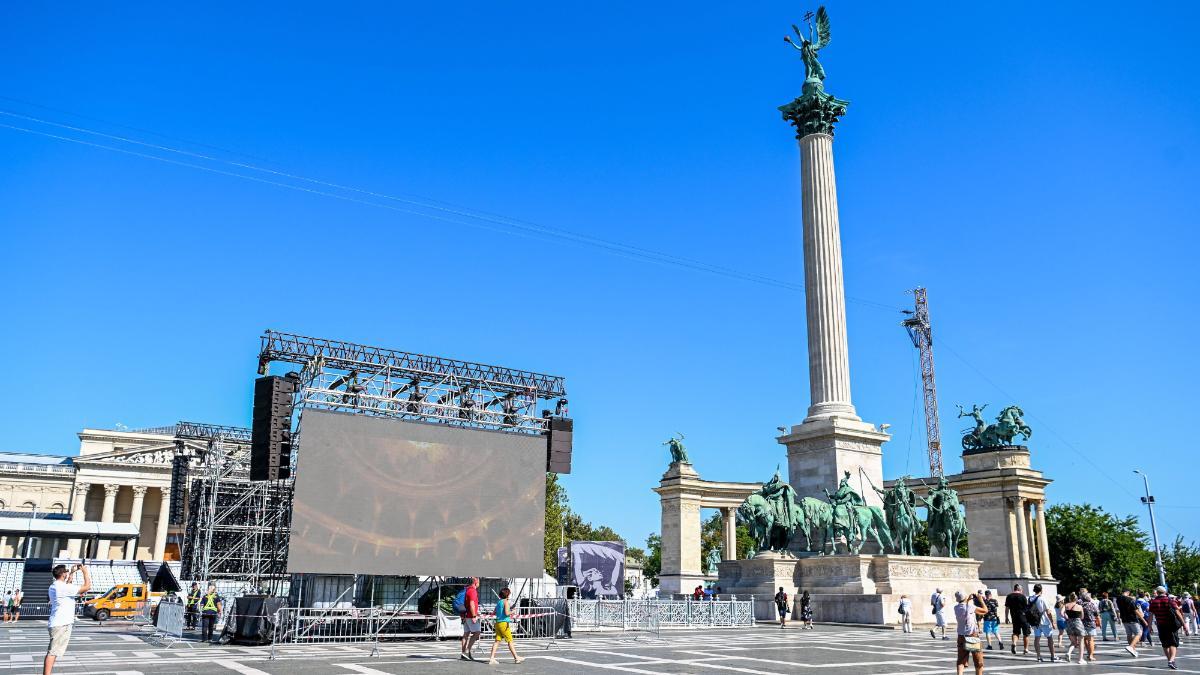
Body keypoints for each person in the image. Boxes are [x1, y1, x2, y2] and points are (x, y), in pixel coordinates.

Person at [44, 563, 90, 675]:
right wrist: (85, 571)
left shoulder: (56, 586)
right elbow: (87, 586)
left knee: (54, 651)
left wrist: (72, 573)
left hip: (58, 622)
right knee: (52, 652)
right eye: (66, 571)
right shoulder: (62, 587)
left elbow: (67, 586)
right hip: (61, 624)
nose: (67, 573)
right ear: (63, 574)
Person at [1148, 586, 1185, 670]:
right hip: (1171, 625)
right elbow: (1178, 612)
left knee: (1165, 644)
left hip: (1160, 625)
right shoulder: (1169, 600)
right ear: (1165, 592)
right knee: (1173, 643)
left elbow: (1150, 615)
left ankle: (1169, 660)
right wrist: (1184, 624)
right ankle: (1171, 660)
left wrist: (1149, 627)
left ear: (1157, 592)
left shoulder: (1153, 602)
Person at [487, 587, 524, 665]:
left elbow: (494, 612)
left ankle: (492, 658)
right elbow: (507, 613)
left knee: (497, 641)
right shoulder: (505, 602)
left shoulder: (499, 602)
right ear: (507, 595)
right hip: (504, 623)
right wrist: (512, 611)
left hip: (497, 623)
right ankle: (516, 658)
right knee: (510, 640)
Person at [955, 591, 988, 675]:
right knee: (978, 661)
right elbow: (985, 610)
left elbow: (964, 606)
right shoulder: (970, 607)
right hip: (972, 635)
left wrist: (968, 600)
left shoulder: (956, 607)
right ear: (965, 597)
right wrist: (981, 600)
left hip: (961, 636)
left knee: (961, 661)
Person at [1031, 583, 1059, 663]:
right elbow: (1048, 612)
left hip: (1035, 621)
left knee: (1037, 638)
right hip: (1044, 621)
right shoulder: (1042, 598)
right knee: (1049, 638)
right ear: (1041, 590)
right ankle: (1053, 656)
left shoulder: (1031, 598)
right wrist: (1053, 622)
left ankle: (1038, 657)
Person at [1117, 588, 1145, 657]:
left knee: (1129, 634)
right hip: (1132, 619)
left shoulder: (1118, 599)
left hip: (1124, 619)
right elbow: (1135, 610)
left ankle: (1133, 650)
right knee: (1139, 633)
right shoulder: (1129, 599)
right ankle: (1131, 646)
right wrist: (1143, 620)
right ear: (1128, 592)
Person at [1004, 584, 1030, 655]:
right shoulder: (1023, 596)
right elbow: (1026, 609)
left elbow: (1007, 608)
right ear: (1019, 589)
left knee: (1015, 632)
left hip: (1014, 617)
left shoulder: (1009, 596)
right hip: (1023, 617)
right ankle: (1025, 649)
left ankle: (1014, 643)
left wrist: (1006, 617)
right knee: (1026, 634)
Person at [459, 578, 482, 661]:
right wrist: (474, 616)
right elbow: (472, 603)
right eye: (479, 581)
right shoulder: (473, 591)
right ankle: (467, 651)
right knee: (477, 632)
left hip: (465, 615)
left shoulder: (467, 590)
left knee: (466, 634)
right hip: (470, 615)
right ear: (475, 582)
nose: (479, 583)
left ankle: (464, 653)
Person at [1063, 592, 1084, 664]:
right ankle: (1080, 659)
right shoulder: (1080, 607)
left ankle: (1068, 652)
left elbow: (1061, 613)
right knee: (1081, 642)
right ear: (1076, 599)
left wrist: (1066, 617)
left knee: (1073, 642)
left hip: (1069, 624)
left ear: (1070, 598)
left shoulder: (1066, 605)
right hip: (1078, 624)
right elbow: (1082, 617)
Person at [1079, 591, 1100, 662]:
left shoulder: (1080, 605)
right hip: (1091, 623)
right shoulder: (1091, 604)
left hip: (1082, 624)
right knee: (1091, 639)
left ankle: (1088, 652)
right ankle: (1091, 655)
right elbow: (1097, 614)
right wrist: (1099, 623)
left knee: (1085, 639)